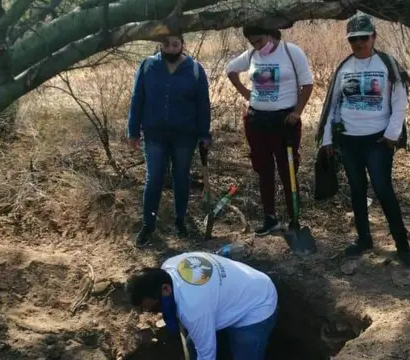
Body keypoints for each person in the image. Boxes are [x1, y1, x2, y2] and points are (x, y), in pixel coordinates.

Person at [316, 13, 410, 265]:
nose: (359, 43)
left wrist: (391, 136)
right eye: (353, 39)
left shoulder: (387, 64)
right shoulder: (344, 67)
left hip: (378, 141)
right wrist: (327, 139)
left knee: (383, 190)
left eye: (364, 37)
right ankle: (364, 238)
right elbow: (333, 105)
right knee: (357, 189)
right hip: (349, 141)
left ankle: (402, 245)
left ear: (374, 36)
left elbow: (399, 103)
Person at [226, 27, 314, 236]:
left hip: (284, 121)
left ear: (271, 34)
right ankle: (270, 219)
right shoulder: (252, 55)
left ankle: (294, 220)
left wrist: (297, 112)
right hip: (257, 121)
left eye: (259, 40)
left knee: (288, 171)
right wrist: (247, 94)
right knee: (264, 170)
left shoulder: (291, 52)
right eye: (252, 42)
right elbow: (231, 70)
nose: (257, 46)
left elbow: (308, 84)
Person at [127, 34, 212, 247]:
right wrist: (133, 131)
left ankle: (180, 220)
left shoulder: (195, 69)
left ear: (182, 45)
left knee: (181, 177)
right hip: (154, 133)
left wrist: (204, 134)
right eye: (167, 44)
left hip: (185, 134)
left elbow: (203, 104)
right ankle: (148, 224)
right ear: (160, 44)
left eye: (175, 44)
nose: (171, 49)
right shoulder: (147, 66)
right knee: (154, 178)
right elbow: (137, 98)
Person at [126, 251, 278, 360]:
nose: (152, 312)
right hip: (233, 293)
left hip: (257, 303)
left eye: (153, 307)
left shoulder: (192, 309)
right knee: (193, 347)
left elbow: (207, 356)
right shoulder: (169, 266)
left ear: (165, 289)